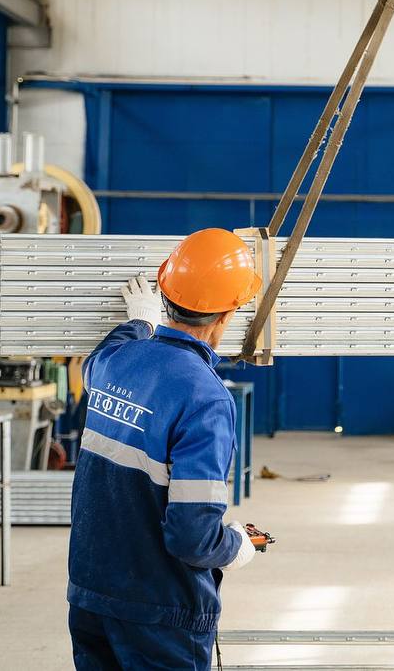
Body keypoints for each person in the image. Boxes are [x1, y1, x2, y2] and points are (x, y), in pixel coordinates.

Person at [68, 228, 263, 670]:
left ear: (165, 294)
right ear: (227, 315)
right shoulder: (206, 398)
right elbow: (193, 537)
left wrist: (140, 322)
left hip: (91, 594)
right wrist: (234, 546)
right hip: (159, 611)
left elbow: (100, 357)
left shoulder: (113, 363)